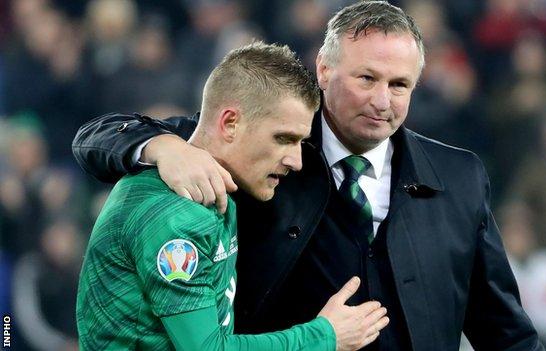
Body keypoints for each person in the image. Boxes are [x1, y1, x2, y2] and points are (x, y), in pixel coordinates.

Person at [73, 2, 543, 350]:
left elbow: (501, 326)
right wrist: (160, 147)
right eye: (366, 79)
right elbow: (97, 137)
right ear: (323, 68)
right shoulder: (261, 142)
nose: (383, 100)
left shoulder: (459, 177)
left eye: (399, 85)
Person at [75, 42, 388, 351]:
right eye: (283, 139)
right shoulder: (178, 215)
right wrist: (324, 336)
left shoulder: (218, 191)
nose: (296, 160)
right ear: (229, 123)